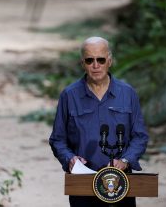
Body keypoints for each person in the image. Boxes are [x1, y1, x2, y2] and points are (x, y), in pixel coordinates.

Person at [49, 36, 149, 207]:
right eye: (90, 60)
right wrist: (70, 158)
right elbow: (57, 139)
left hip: (120, 181)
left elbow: (140, 136)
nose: (96, 66)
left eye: (101, 60)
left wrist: (125, 161)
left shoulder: (128, 93)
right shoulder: (69, 95)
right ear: (82, 63)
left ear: (109, 61)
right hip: (83, 182)